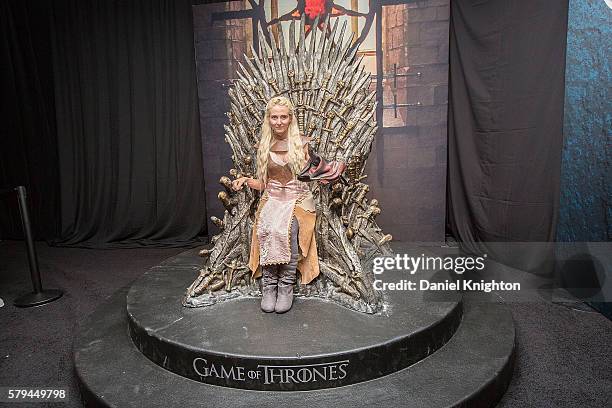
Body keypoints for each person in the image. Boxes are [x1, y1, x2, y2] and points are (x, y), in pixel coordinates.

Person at [232, 96, 320, 314]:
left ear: (290, 119)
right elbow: (263, 183)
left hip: (297, 198)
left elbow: (311, 176)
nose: (279, 121)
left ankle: (285, 286)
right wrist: (245, 180)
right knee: (267, 227)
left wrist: (324, 173)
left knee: (288, 228)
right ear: (268, 119)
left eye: (283, 117)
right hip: (272, 197)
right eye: (274, 117)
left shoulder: (302, 144)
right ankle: (269, 286)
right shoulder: (264, 145)